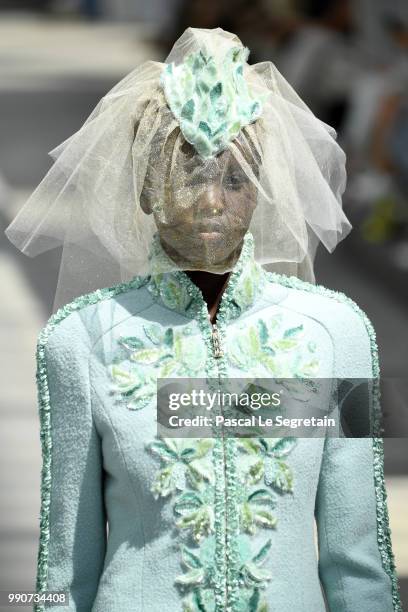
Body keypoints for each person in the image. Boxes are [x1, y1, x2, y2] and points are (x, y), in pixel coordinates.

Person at [4, 27, 402, 612]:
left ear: (262, 187)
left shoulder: (335, 335)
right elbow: (65, 572)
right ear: (144, 187)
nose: (212, 201)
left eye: (236, 177)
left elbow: (359, 562)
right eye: (188, 173)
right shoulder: (82, 342)